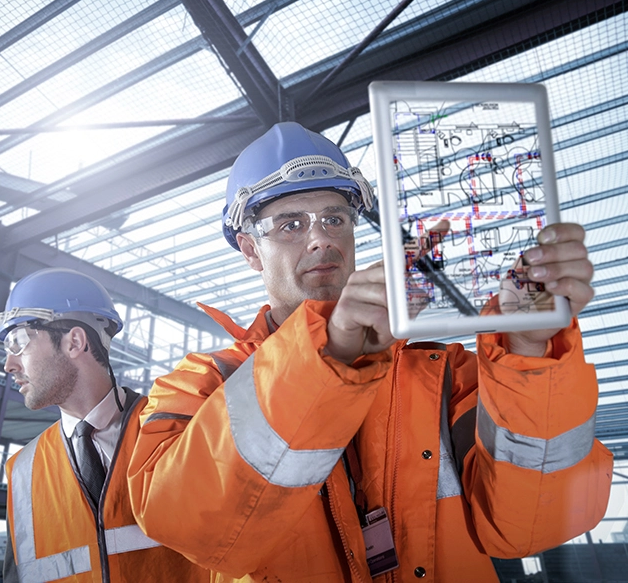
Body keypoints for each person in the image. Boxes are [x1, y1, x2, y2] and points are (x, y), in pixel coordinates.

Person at [128, 122, 613, 582]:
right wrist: (330, 352)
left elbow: (529, 525)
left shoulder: (449, 377)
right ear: (250, 250)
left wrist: (530, 352)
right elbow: (193, 528)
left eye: (335, 219)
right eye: (291, 224)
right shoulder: (201, 384)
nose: (320, 238)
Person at [0, 268, 210, 582]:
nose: (9, 364)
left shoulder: (177, 429)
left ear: (75, 342)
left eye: (18, 342)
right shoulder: (21, 471)